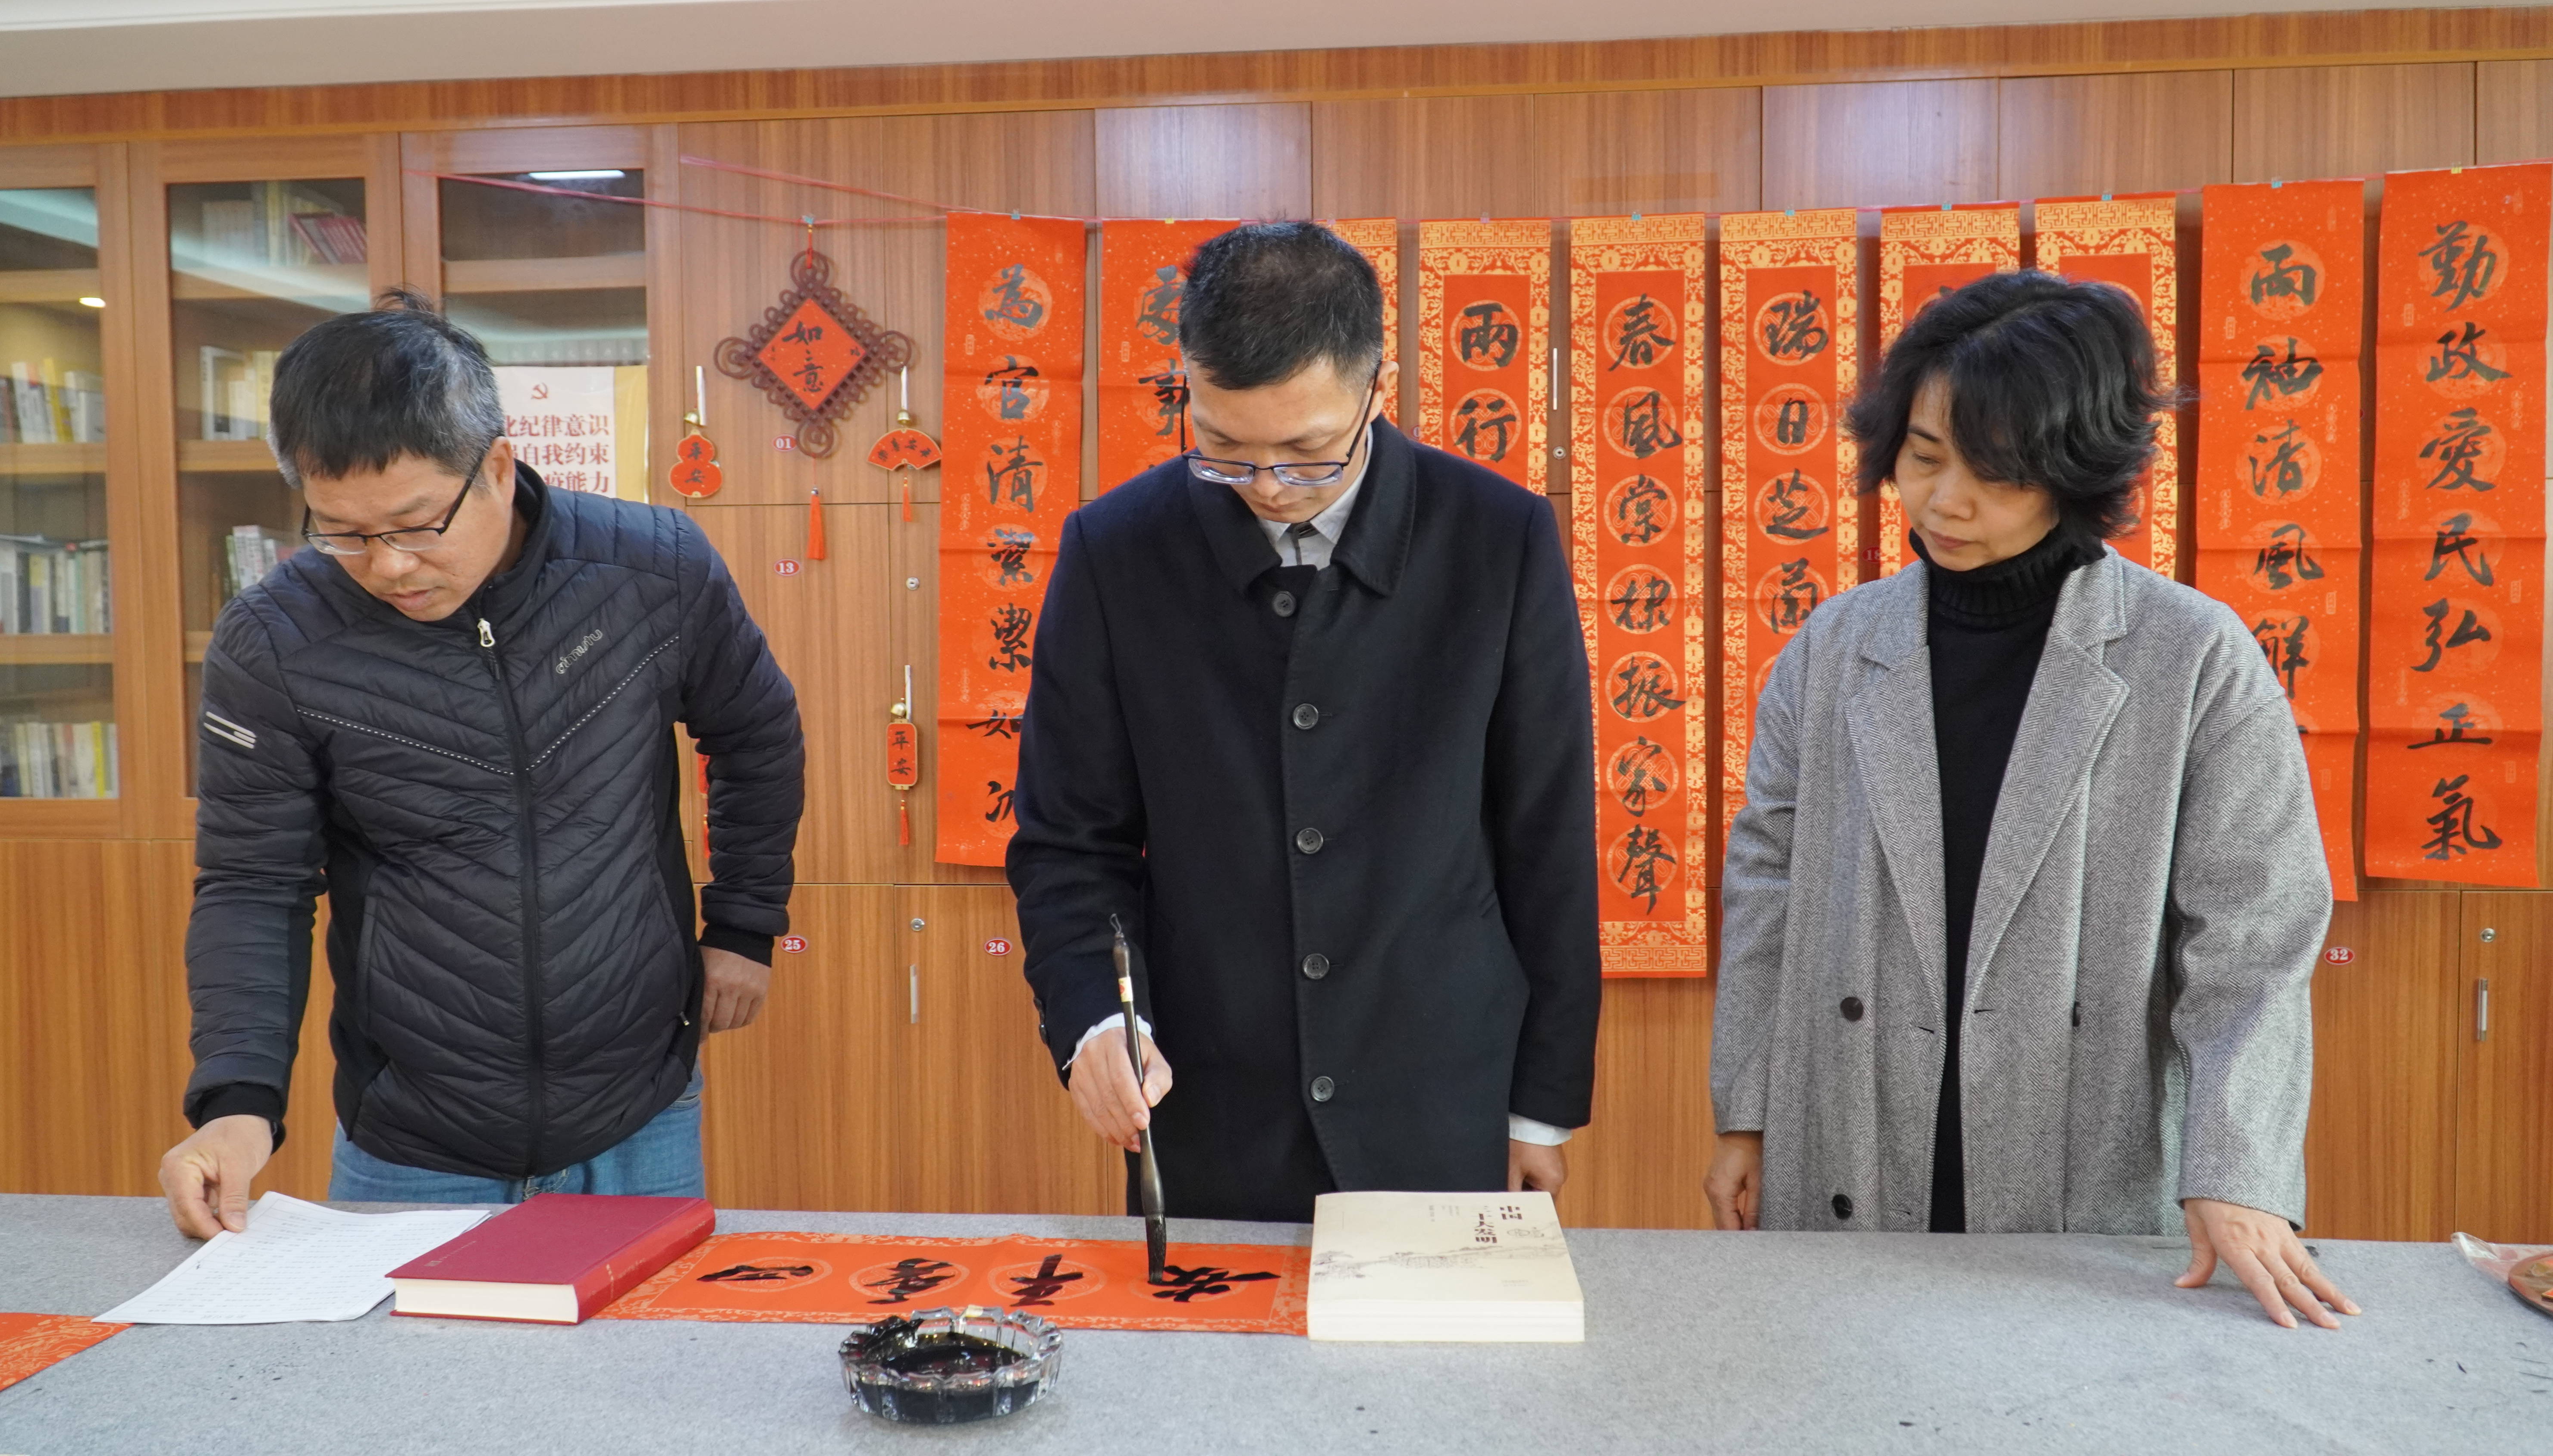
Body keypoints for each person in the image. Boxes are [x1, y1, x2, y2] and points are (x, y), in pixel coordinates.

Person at [1705, 270, 2359, 1330]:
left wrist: (2237, 1167)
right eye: (1924, 456)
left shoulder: (2192, 656)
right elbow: (1767, 887)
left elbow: (2255, 936)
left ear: (2074, 471)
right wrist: (1747, 1112)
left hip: (2082, 1145)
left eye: (1997, 472)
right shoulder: (1834, 646)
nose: (1945, 502)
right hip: (1850, 1133)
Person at [157, 290, 802, 1234]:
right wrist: (237, 1101)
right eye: (343, 532)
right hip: (412, 1135)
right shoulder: (277, 641)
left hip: (638, 1108)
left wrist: (744, 924)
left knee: (649, 1335)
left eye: (418, 523)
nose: (388, 566)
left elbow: (757, 732)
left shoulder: (653, 569)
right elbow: (254, 881)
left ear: (497, 466)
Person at [1007, 222, 1601, 1223]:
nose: (1270, 487)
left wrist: (1540, 1104)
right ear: (1188, 386)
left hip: (1441, 1089)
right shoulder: (1118, 552)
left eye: (1309, 452)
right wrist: (1096, 1021)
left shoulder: (1496, 537)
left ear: (1377, 388)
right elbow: (1071, 841)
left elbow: (1546, 833)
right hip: (1211, 1095)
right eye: (1224, 450)